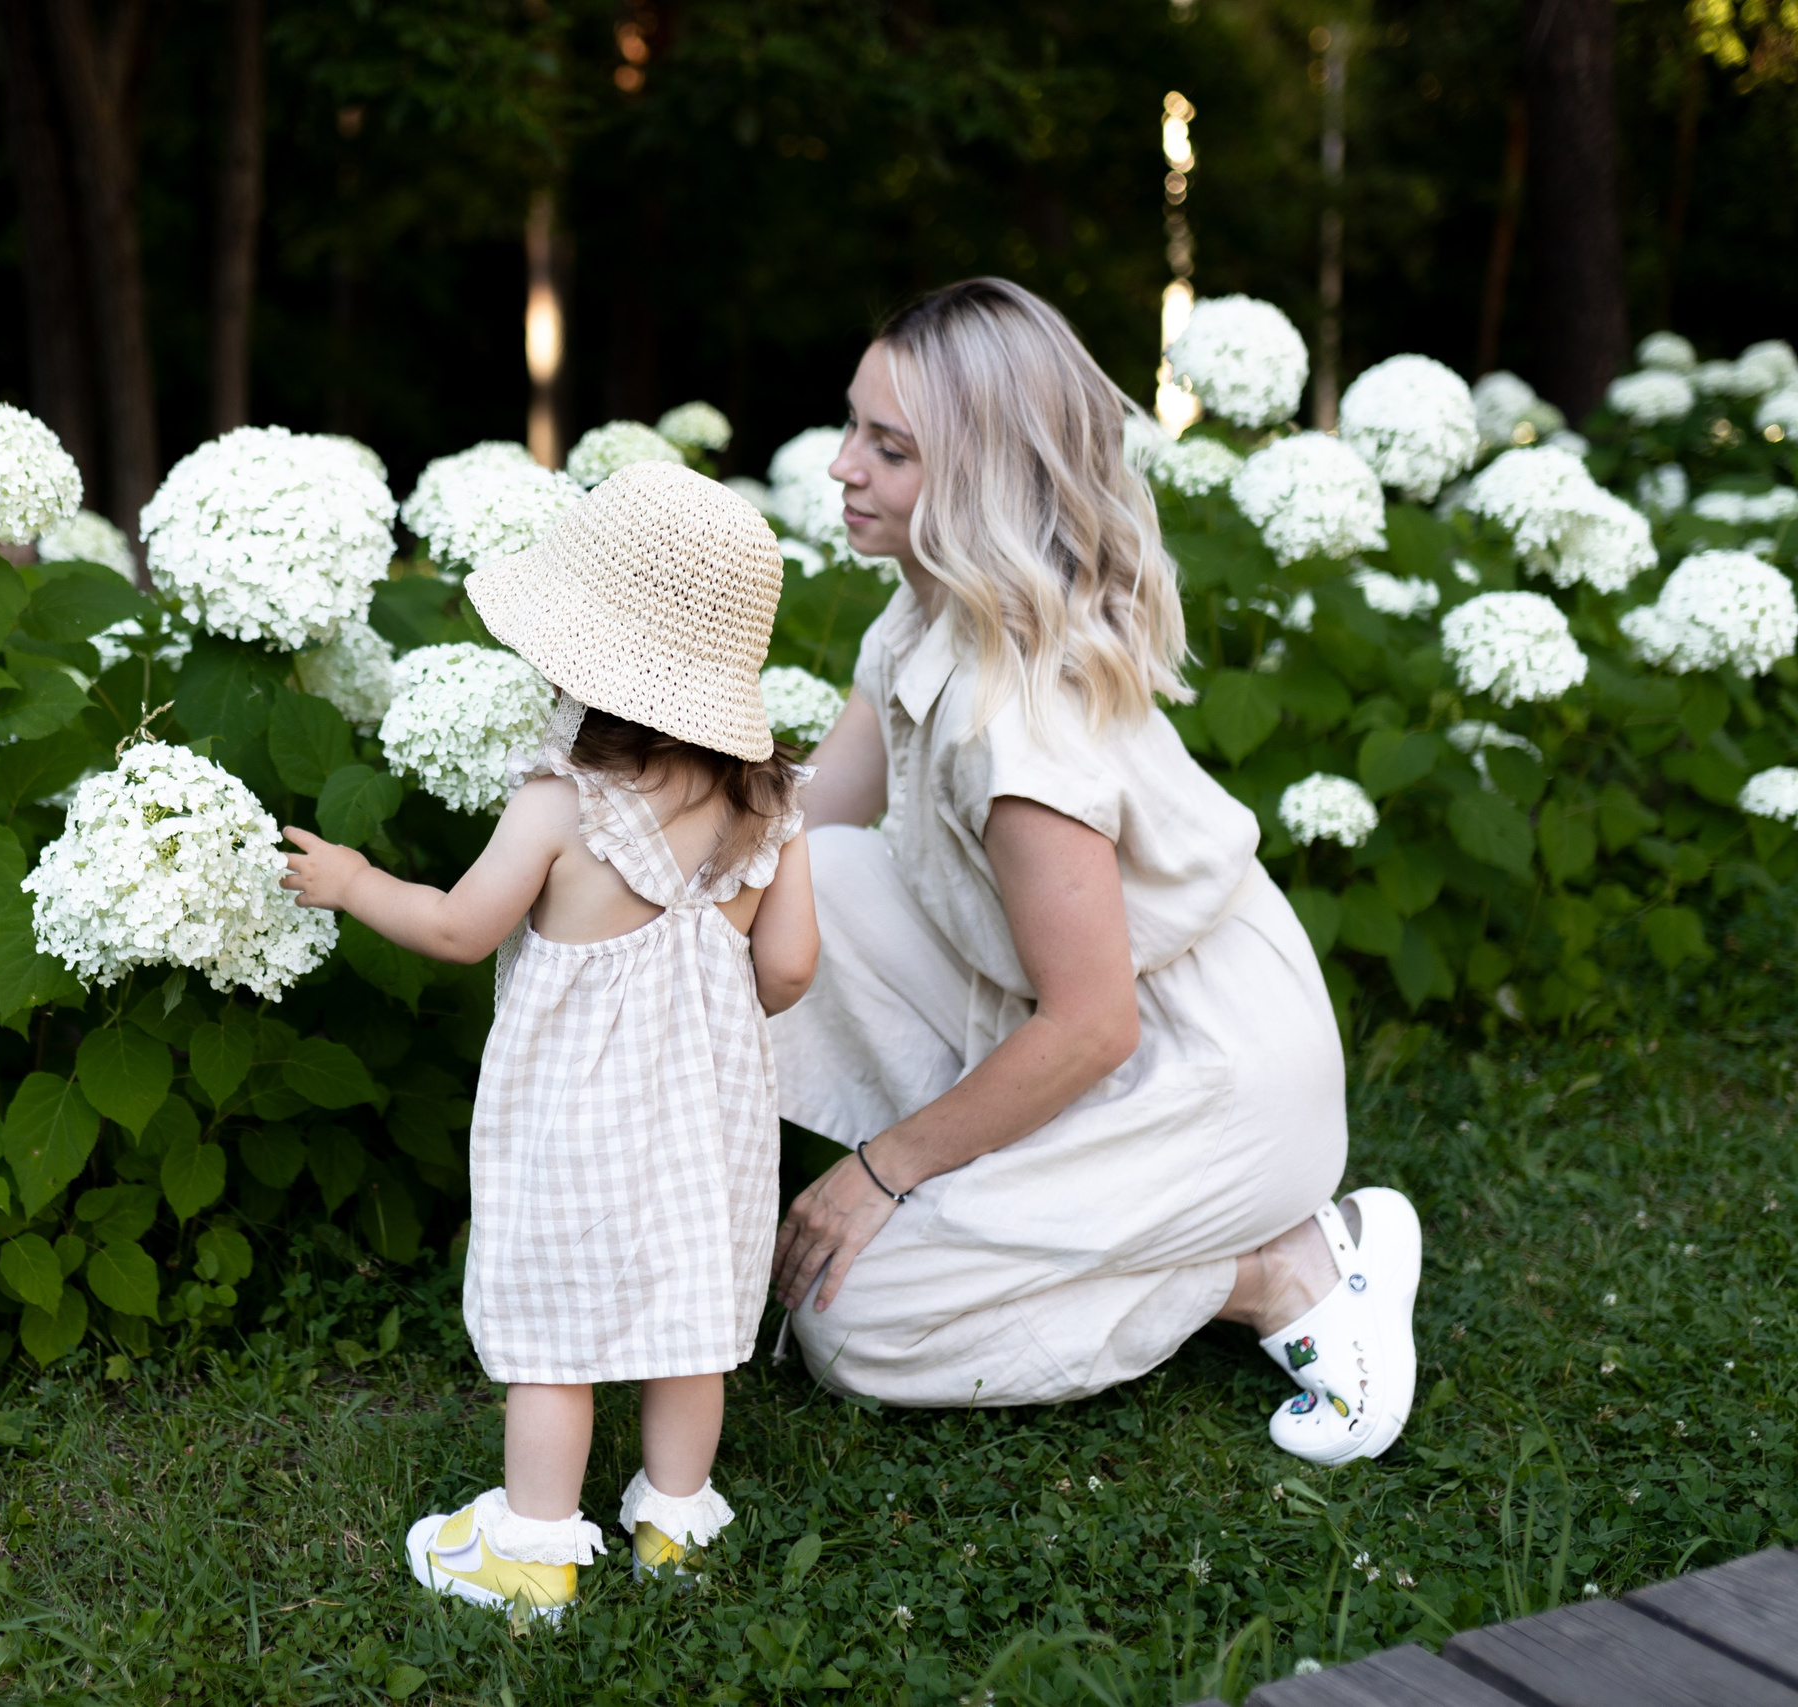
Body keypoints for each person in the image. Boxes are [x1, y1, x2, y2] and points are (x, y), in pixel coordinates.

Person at [767, 278, 1422, 1465]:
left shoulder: (1018, 728)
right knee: (788, 884)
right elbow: (799, 831)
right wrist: (630, 813)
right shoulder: (918, 619)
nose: (842, 468)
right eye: (854, 426)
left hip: (1208, 1069)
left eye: (889, 448)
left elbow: (1093, 1028)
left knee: (853, 1322)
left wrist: (880, 1170)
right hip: (1059, 1009)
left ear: (977, 480)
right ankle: (998, 1205)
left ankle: (1273, 1268)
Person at [281, 461, 820, 1620]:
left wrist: (353, 877)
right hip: (710, 1118)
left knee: (555, 1336)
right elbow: (788, 968)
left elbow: (458, 928)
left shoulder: (561, 801)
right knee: (689, 1321)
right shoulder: (772, 804)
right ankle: (675, 1522)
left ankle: (531, 1547)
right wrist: (715, 1011)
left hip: (573, 1120)